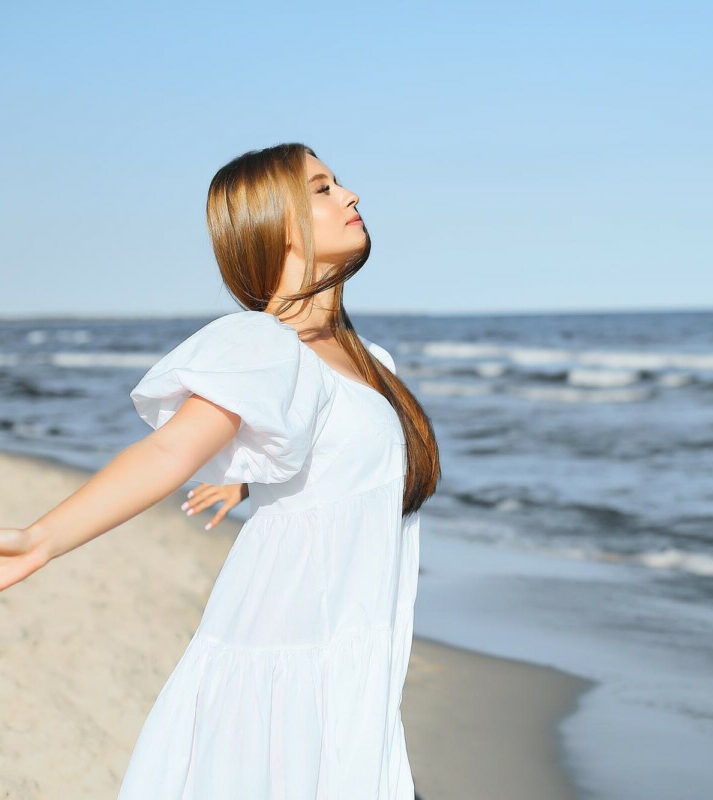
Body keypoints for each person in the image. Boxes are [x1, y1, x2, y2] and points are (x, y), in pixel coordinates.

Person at [0, 142, 442, 799]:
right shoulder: (264, 344)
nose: (350, 196)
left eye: (338, 183)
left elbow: (324, 453)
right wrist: (40, 541)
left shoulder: (369, 360)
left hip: (349, 661)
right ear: (277, 223)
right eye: (322, 188)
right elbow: (167, 451)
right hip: (288, 655)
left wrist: (248, 476)